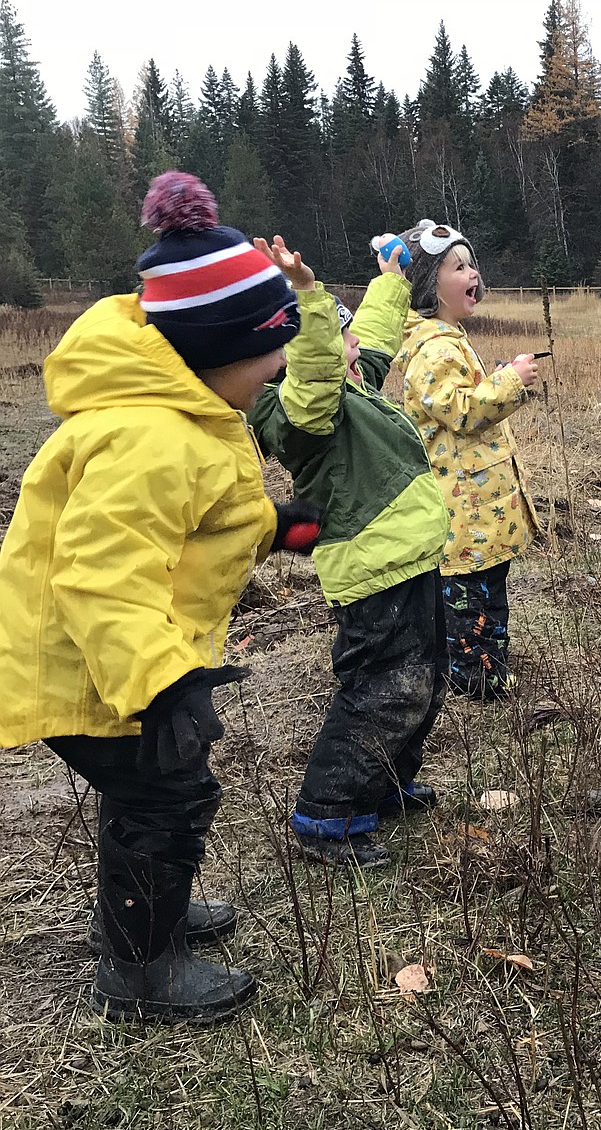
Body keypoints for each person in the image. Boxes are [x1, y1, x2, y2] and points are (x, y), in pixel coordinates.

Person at [0, 172, 321, 1025]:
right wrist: (163, 680)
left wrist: (272, 528)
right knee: (164, 794)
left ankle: (151, 915)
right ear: (219, 347)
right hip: (95, 665)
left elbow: (190, 525)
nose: (283, 365)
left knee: (161, 787)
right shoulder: (150, 435)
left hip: (119, 657)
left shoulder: (187, 411)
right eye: (272, 350)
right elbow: (101, 573)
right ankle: (140, 966)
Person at [248, 238, 450, 868]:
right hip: (373, 569)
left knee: (426, 682)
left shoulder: (349, 380)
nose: (355, 344)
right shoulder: (295, 410)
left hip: (409, 558)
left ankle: (384, 784)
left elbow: (371, 334)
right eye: (339, 338)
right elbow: (314, 375)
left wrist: (390, 280)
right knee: (384, 690)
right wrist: (306, 295)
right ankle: (325, 814)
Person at [393, 221, 541, 699]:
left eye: (472, 263)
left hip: (478, 506)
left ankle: (477, 669)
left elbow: (458, 401)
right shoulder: (435, 346)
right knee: (474, 599)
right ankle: (479, 682)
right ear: (427, 283)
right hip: (467, 510)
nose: (473, 273)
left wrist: (493, 379)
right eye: (458, 267)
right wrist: (511, 381)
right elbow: (463, 410)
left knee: (482, 592)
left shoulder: (447, 337)